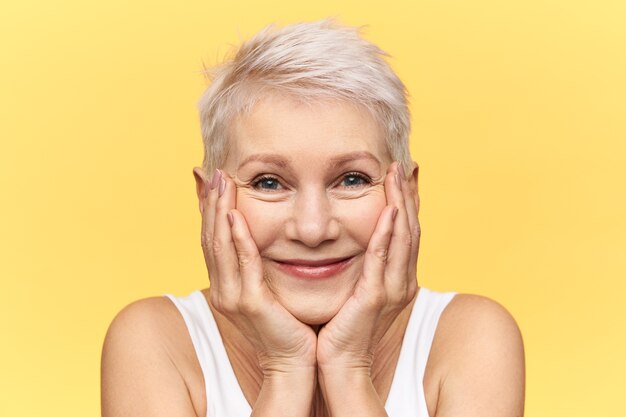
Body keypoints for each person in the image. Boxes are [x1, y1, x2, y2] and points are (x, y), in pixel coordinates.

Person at [101, 19, 525, 417]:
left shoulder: (472, 338)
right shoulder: (155, 342)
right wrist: (284, 369)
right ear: (209, 195)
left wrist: (349, 366)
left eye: (352, 179)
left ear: (408, 192)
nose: (313, 228)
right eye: (268, 182)